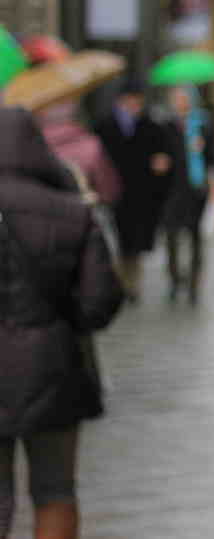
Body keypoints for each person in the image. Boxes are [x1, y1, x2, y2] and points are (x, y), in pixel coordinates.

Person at [0, 108, 124, 539]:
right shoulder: (73, 212)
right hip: (52, 371)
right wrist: (62, 320)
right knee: (55, 491)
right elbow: (101, 302)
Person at [94, 79, 174, 300]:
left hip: (140, 195)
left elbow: (164, 156)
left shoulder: (151, 126)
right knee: (117, 241)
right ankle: (120, 282)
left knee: (135, 243)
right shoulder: (105, 126)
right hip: (113, 193)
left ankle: (131, 284)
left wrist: (161, 165)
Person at [162, 85, 214, 305]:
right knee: (171, 236)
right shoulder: (167, 125)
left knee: (196, 237)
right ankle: (174, 278)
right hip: (172, 189)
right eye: (177, 99)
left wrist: (204, 150)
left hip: (197, 189)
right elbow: (161, 153)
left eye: (184, 98)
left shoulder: (204, 123)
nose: (180, 103)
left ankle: (194, 283)